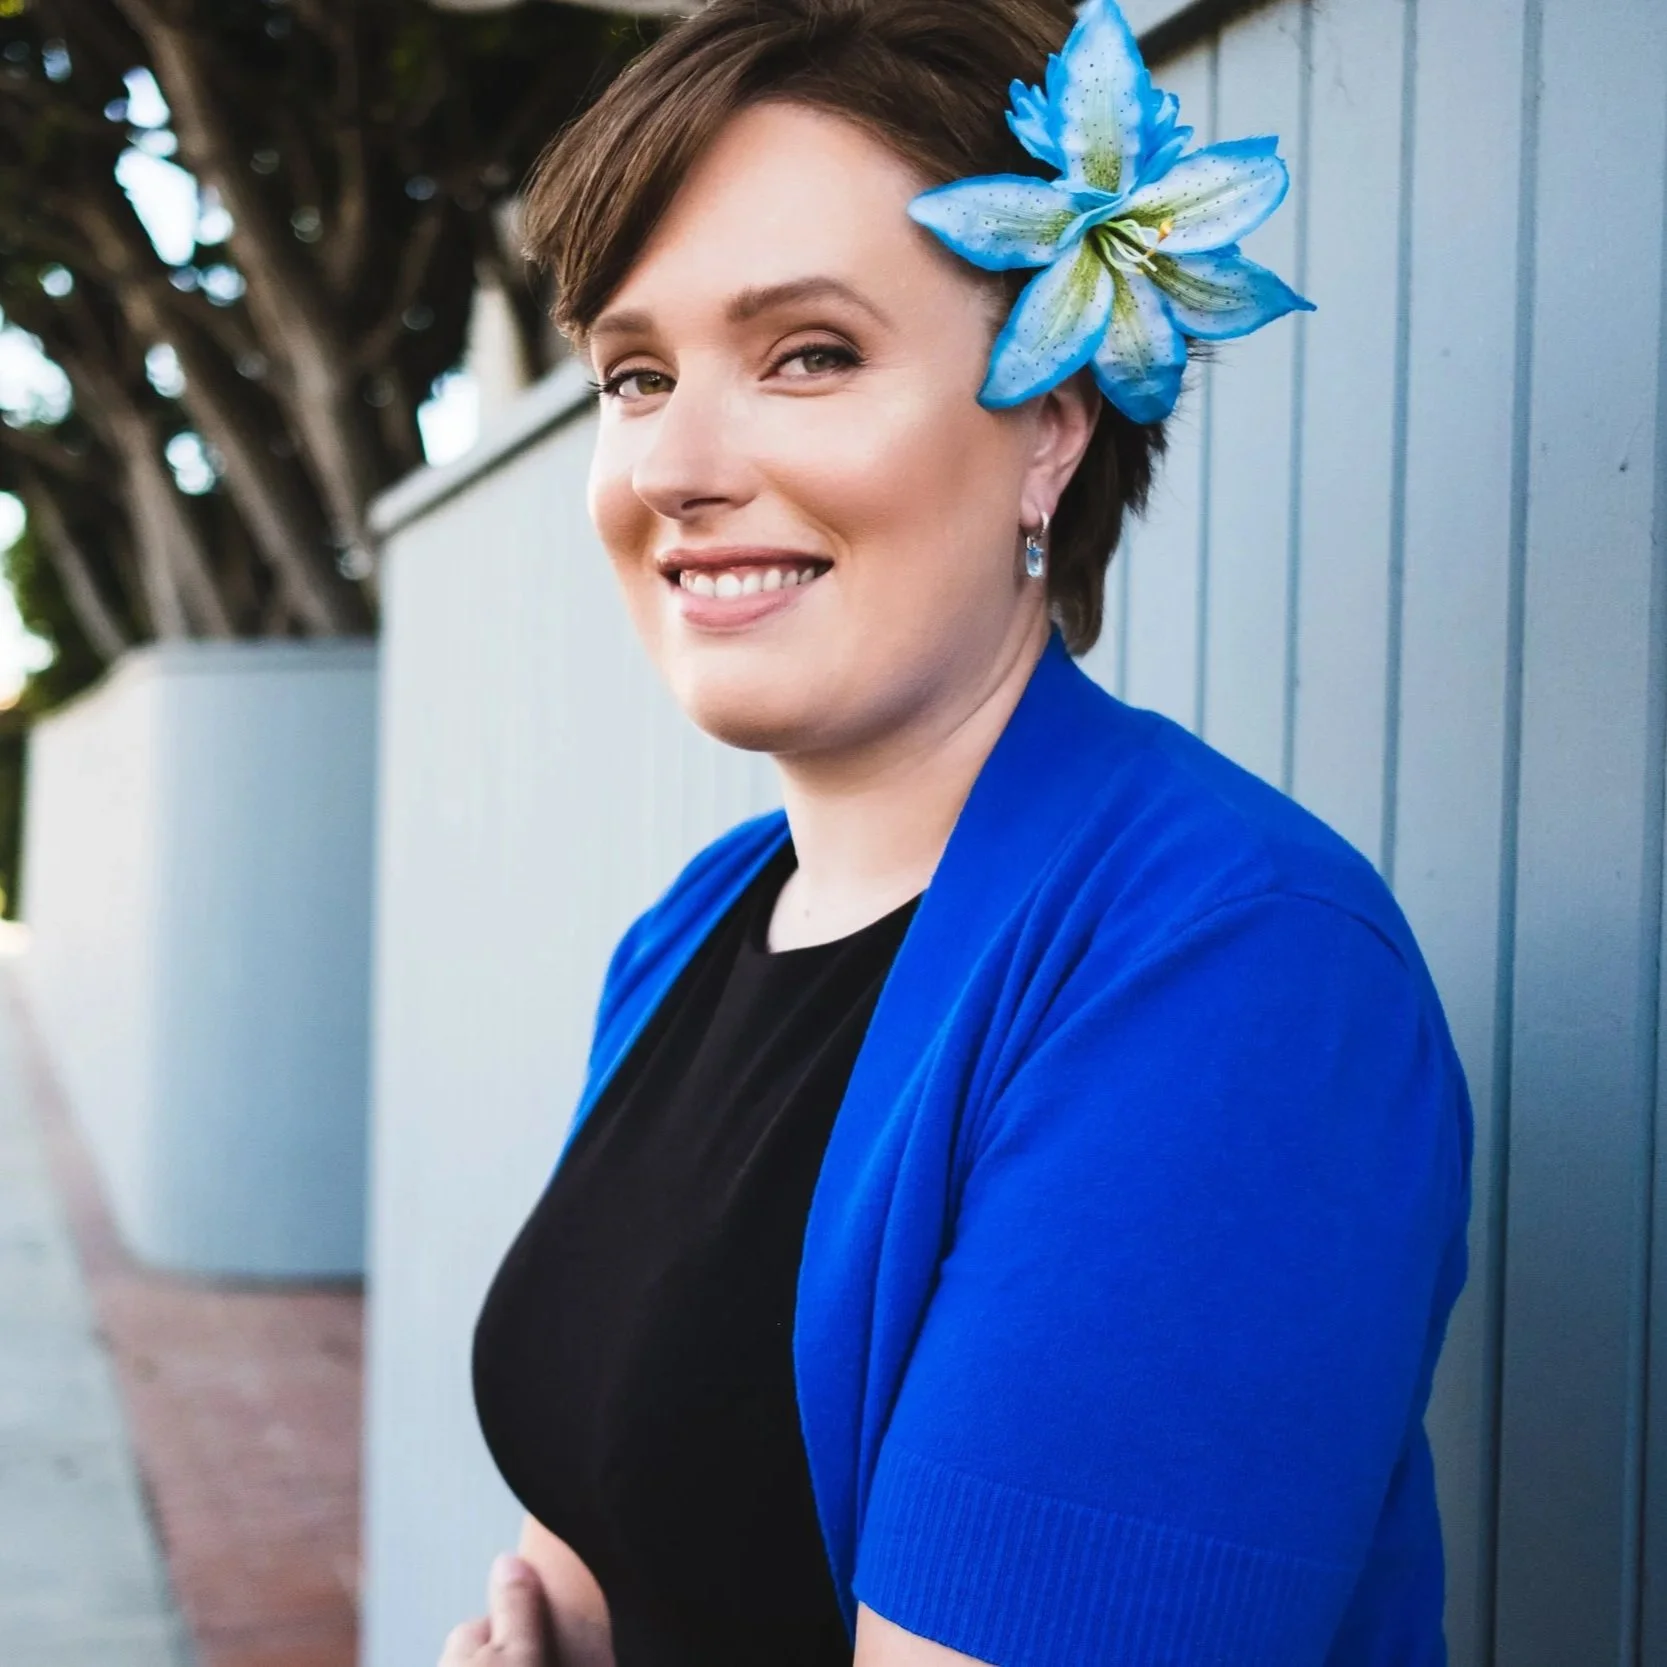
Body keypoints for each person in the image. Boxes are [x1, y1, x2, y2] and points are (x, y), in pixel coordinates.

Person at [444, 2, 1471, 1663]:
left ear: (1049, 422)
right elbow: (587, 1548)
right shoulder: (701, 920)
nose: (676, 466)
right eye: (636, 375)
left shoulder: (1233, 974)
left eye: (809, 352)